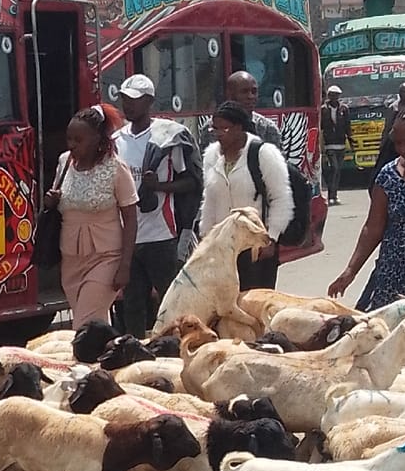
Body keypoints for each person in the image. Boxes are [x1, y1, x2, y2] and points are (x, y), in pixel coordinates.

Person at [114, 74, 202, 337]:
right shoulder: (116, 140)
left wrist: (160, 186)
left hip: (162, 235)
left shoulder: (167, 137)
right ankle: (135, 351)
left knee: (169, 301)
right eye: (124, 99)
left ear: (149, 101)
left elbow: (191, 182)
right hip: (128, 237)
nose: (128, 105)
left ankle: (176, 347)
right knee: (132, 304)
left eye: (135, 99)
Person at [45, 104, 138, 329]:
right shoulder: (64, 162)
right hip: (71, 258)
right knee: (96, 326)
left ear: (97, 139)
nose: (72, 145)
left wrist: (125, 265)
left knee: (84, 325)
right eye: (69, 139)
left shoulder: (115, 167)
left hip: (107, 258)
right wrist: (51, 201)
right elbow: (59, 201)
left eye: (79, 140)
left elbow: (131, 218)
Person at [328, 103, 405, 309]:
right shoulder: (388, 176)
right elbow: (373, 229)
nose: (403, 149)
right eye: (398, 143)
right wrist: (350, 271)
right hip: (394, 279)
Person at [199, 101, 293, 290]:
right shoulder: (211, 156)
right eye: (215, 129)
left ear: (239, 128)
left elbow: (281, 198)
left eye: (224, 129)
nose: (218, 134)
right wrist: (205, 239)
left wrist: (271, 238)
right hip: (223, 249)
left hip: (256, 248)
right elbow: (209, 201)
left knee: (254, 300)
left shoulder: (264, 153)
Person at [226, 70, 282, 148]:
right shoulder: (214, 127)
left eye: (254, 92)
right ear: (230, 95)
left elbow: (277, 155)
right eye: (244, 92)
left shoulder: (268, 128)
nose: (250, 96)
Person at [321, 84, 354, 206]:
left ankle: (334, 195)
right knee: (334, 168)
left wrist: (351, 141)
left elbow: (347, 126)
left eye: (337, 95)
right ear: (329, 96)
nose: (335, 98)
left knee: (338, 170)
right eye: (332, 95)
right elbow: (320, 127)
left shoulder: (344, 109)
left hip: (341, 143)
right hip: (329, 144)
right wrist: (320, 145)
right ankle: (331, 195)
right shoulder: (323, 110)